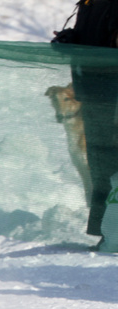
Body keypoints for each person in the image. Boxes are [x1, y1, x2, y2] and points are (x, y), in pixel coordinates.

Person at [53, 0, 118, 246]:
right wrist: (72, 39)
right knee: (100, 165)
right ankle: (107, 233)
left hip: (112, 92)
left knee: (113, 163)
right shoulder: (90, 2)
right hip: (91, 91)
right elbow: (95, 35)